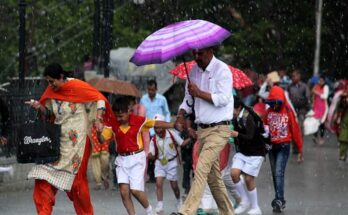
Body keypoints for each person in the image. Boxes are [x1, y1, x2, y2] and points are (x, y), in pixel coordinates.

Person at [25, 63, 114, 215]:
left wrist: (99, 118)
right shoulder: (51, 90)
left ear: (61, 77)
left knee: (77, 183)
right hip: (58, 143)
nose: (50, 85)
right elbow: (49, 115)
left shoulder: (76, 85)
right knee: (42, 178)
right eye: (48, 81)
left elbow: (99, 98)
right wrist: (39, 107)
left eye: (52, 81)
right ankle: (43, 212)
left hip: (79, 142)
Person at [173, 47, 234, 215]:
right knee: (214, 180)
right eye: (194, 53)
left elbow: (223, 99)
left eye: (200, 53)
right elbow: (188, 101)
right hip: (202, 131)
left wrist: (199, 93)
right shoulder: (192, 72)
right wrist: (180, 114)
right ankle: (228, 212)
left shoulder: (222, 70)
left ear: (210, 50)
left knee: (200, 168)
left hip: (220, 129)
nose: (197, 57)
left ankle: (186, 211)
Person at [100, 96, 174, 215]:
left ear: (129, 111)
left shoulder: (139, 121)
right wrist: (99, 132)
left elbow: (156, 123)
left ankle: (150, 212)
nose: (118, 119)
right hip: (122, 160)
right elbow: (102, 139)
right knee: (124, 192)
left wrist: (172, 125)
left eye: (121, 116)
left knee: (135, 191)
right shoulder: (112, 123)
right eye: (117, 116)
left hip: (136, 159)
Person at [264, 86, 304, 213]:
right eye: (273, 102)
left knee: (279, 172)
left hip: (284, 146)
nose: (275, 105)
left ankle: (279, 199)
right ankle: (279, 200)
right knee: (275, 174)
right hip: (271, 147)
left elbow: (296, 131)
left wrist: (300, 150)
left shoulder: (288, 111)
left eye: (277, 102)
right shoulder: (268, 112)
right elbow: (264, 129)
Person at [230, 97, 265, 215]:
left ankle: (256, 208)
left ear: (238, 108)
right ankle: (244, 202)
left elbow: (250, 136)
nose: (230, 111)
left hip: (255, 152)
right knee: (234, 174)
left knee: (249, 179)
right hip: (243, 152)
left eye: (232, 109)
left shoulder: (247, 117)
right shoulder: (235, 117)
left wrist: (237, 134)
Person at [148, 114, 189, 213]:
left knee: (174, 186)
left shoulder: (171, 134)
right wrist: (151, 156)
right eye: (155, 126)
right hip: (159, 163)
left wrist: (191, 139)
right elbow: (150, 153)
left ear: (164, 125)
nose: (157, 128)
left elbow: (182, 143)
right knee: (158, 183)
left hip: (171, 162)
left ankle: (178, 200)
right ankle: (160, 205)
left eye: (159, 125)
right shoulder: (153, 139)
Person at [140, 79, 171, 183]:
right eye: (149, 90)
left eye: (153, 90)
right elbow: (141, 114)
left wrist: (165, 124)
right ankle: (150, 174)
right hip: (147, 130)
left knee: (161, 150)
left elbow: (167, 113)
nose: (151, 92)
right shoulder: (143, 99)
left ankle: (161, 172)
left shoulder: (162, 99)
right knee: (149, 152)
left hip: (159, 129)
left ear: (156, 89)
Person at [90, 125, 110, 190]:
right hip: (92, 132)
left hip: (103, 131)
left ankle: (104, 177)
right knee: (95, 162)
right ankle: (98, 183)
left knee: (105, 160)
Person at [312, 75, 329, 145]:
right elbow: (313, 96)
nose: (320, 82)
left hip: (323, 107)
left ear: (324, 81)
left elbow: (325, 96)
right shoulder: (316, 86)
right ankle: (315, 137)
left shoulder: (326, 87)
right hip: (316, 107)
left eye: (322, 81)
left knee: (322, 123)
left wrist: (317, 93)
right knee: (315, 122)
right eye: (320, 80)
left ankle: (321, 138)